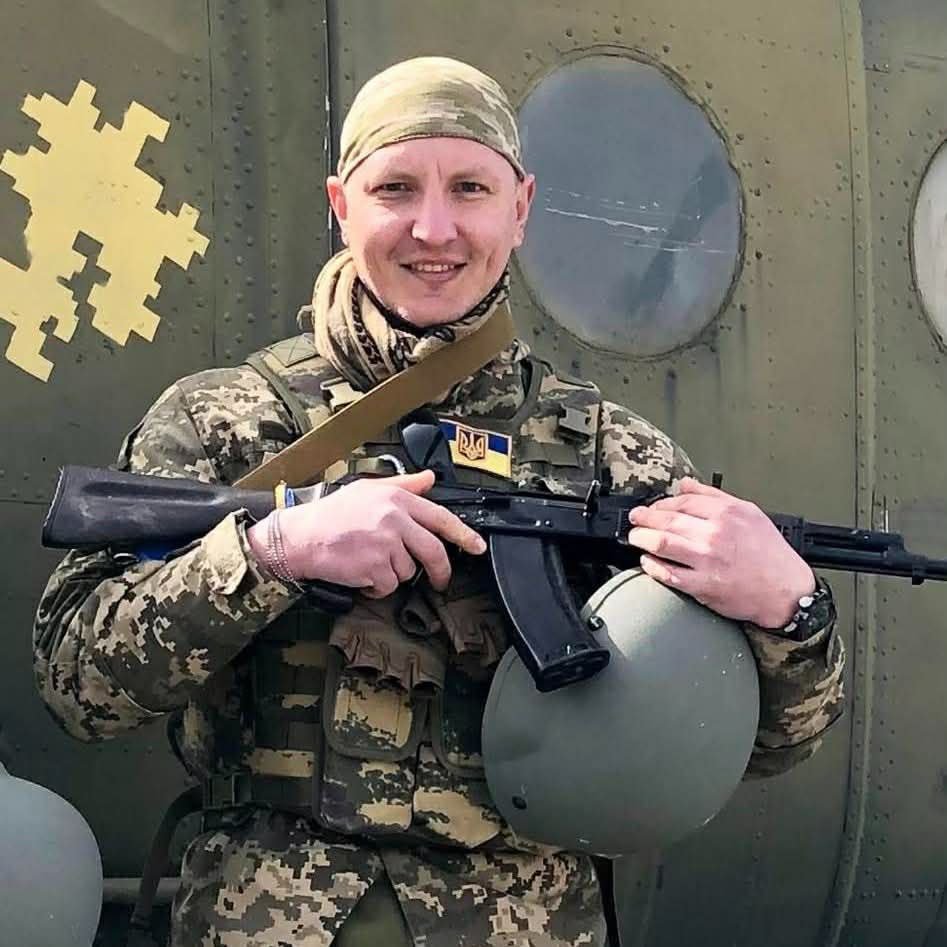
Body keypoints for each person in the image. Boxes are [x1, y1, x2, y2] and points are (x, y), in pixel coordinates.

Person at [33, 57, 845, 947]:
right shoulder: (227, 421)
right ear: (342, 205)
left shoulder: (614, 455)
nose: (434, 228)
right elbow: (78, 688)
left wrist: (792, 610)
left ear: (520, 207)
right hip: (266, 920)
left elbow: (759, 746)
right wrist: (273, 554)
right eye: (395, 188)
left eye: (469, 188)